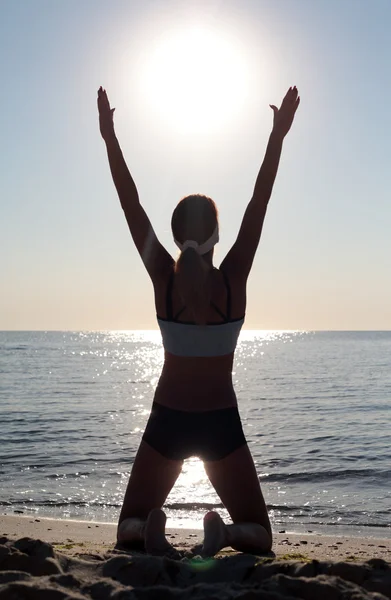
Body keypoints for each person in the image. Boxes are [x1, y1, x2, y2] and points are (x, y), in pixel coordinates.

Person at [97, 85, 300, 557]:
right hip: (220, 423)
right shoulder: (233, 281)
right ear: (215, 234)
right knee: (260, 536)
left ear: (175, 234)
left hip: (168, 418)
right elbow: (259, 202)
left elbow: (132, 204)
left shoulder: (163, 279)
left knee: (126, 526)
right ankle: (225, 535)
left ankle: (150, 531)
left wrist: (109, 138)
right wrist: (278, 137)